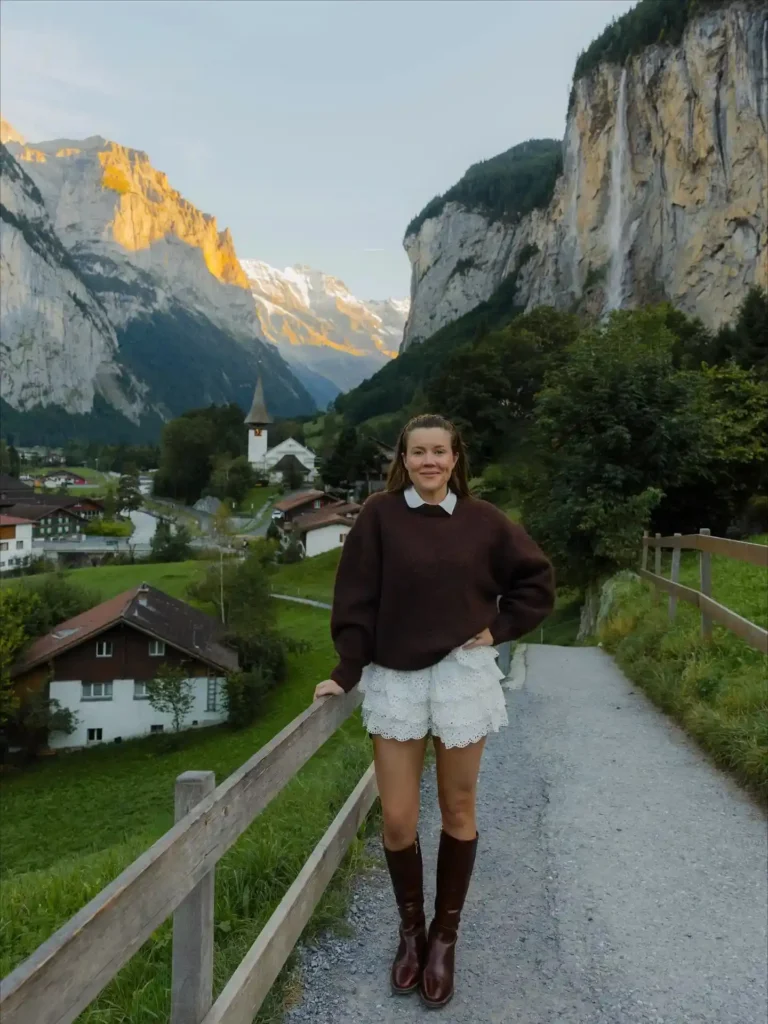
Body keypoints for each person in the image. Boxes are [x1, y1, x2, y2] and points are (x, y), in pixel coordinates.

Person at [313, 413, 555, 1009]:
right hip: (395, 678)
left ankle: (444, 940)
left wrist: (496, 629)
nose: (429, 461)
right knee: (396, 818)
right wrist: (346, 670)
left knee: (458, 808)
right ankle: (410, 932)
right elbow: (356, 598)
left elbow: (537, 580)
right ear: (404, 458)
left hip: (460, 677)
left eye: (439, 452)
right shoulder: (378, 516)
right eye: (418, 452)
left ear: (455, 459)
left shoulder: (482, 520)